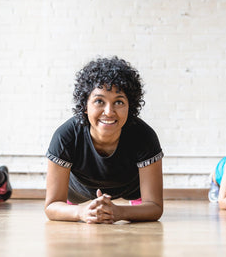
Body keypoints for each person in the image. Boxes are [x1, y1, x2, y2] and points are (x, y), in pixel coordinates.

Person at [45, 56, 164, 223]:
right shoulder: (66, 136)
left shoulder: (144, 136)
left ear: (130, 106)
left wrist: (120, 212)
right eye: (99, 101)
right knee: (67, 210)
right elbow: (51, 206)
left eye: (119, 102)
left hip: (131, 188)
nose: (109, 111)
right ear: (85, 106)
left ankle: (135, 205)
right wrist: (80, 212)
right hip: (78, 192)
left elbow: (155, 207)